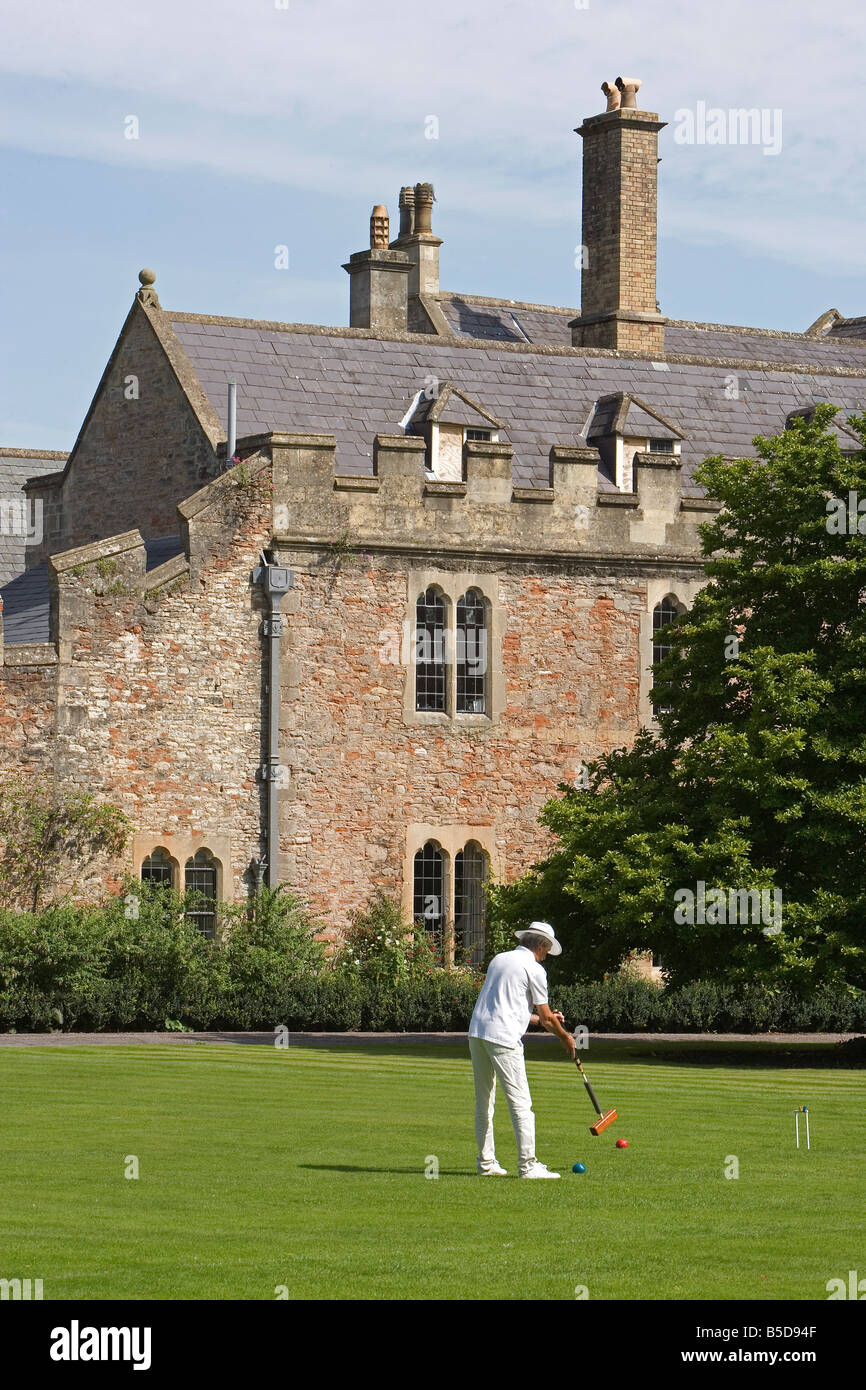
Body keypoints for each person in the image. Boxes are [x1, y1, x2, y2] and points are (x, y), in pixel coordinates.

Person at [468, 921, 576, 1178]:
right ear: (540, 946)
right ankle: (528, 1166)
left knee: (484, 1102)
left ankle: (486, 1163)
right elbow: (547, 1017)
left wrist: (546, 1020)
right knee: (521, 1104)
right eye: (546, 952)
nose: (545, 957)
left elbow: (513, 1008)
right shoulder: (534, 969)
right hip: (503, 1038)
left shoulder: (500, 959)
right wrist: (565, 1037)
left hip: (477, 1033)